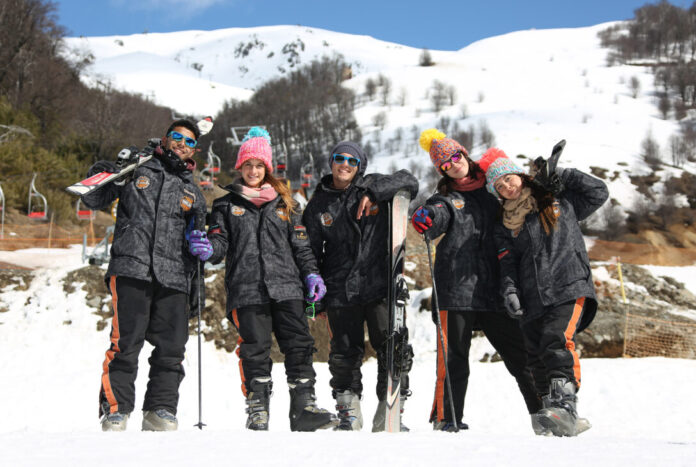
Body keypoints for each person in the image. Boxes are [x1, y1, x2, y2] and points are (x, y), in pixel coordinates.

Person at [410, 129, 542, 433]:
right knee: (453, 359)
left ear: (464, 154)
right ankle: (447, 418)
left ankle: (544, 413)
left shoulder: (495, 189)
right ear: (442, 171)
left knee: (521, 356)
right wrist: (426, 216)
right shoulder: (446, 198)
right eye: (445, 164)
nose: (453, 164)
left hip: (497, 289)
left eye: (455, 156)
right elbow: (437, 213)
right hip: (455, 289)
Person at [82, 119, 210, 432]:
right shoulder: (136, 168)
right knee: (125, 343)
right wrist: (115, 169)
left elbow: (197, 248)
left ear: (195, 150)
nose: (182, 144)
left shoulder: (193, 193)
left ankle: (160, 409)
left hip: (174, 276)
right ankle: (116, 409)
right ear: (165, 139)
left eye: (189, 141)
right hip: (132, 268)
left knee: (172, 348)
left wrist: (198, 287)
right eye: (177, 137)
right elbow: (92, 197)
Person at [206, 127, 337, 432]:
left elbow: (301, 246)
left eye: (259, 165)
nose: (253, 171)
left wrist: (311, 274)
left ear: (267, 168)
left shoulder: (286, 204)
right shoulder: (225, 205)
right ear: (240, 167)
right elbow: (219, 245)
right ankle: (258, 409)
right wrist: (209, 248)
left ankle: (303, 409)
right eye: (248, 165)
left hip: (287, 287)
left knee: (299, 344)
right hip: (247, 288)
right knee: (255, 347)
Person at [480, 146, 608, 437]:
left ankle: (565, 406)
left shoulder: (556, 198)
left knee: (556, 339)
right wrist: (510, 290)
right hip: (531, 296)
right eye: (499, 186)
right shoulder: (505, 224)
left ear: (520, 175)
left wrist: (563, 174)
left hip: (567, 284)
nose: (507, 187)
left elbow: (598, 192)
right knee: (536, 355)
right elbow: (507, 262)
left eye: (508, 179)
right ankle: (549, 414)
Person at [302, 141, 419, 432]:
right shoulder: (319, 203)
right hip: (339, 288)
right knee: (344, 353)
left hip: (380, 286)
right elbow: (308, 250)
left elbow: (409, 181)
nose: (345, 164)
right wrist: (313, 286)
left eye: (352, 161)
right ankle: (349, 410)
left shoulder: (373, 185)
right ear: (331, 162)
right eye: (339, 158)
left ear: (360, 166)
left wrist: (373, 192)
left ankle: (389, 410)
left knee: (393, 347)